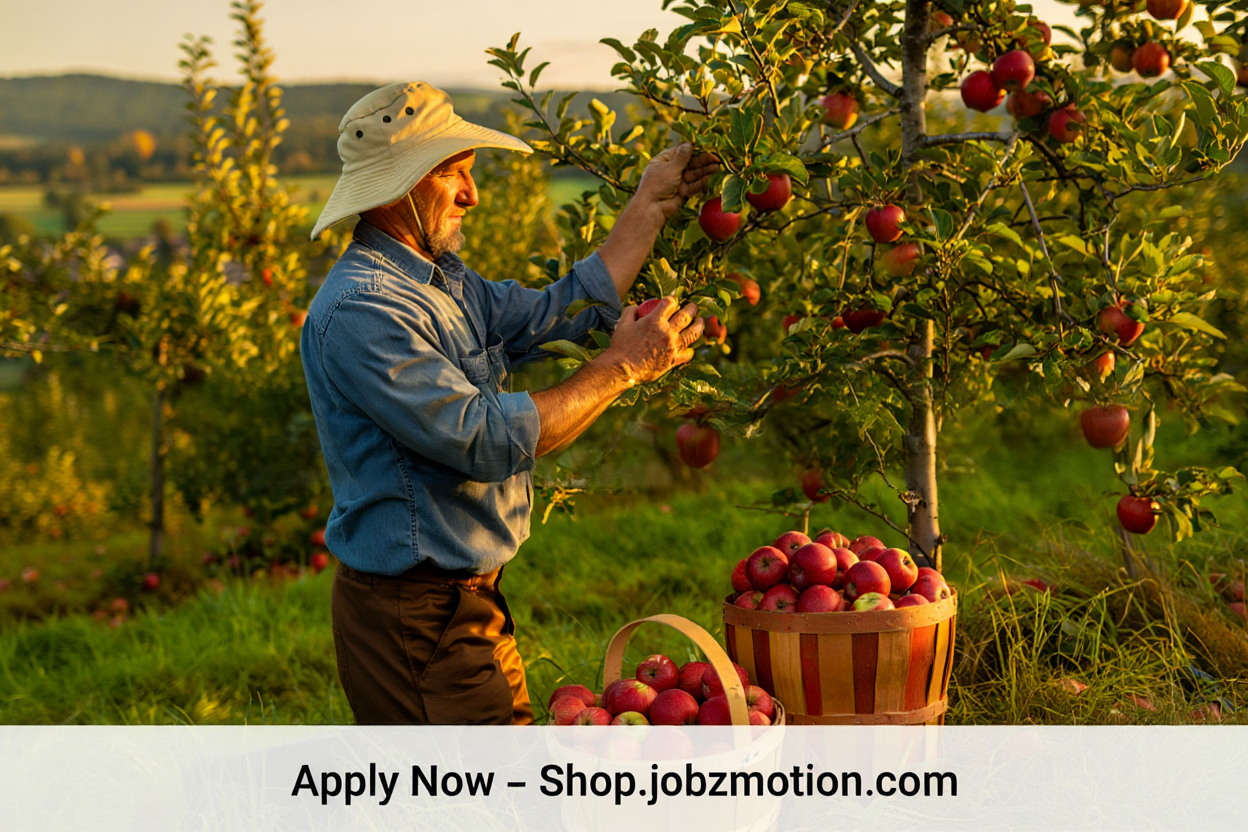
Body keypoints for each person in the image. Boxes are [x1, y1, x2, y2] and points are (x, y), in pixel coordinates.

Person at [301, 81, 717, 725]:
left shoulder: (443, 281)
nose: (473, 194)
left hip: (464, 602)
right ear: (398, 187)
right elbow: (483, 439)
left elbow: (565, 309)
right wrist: (624, 366)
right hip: (418, 616)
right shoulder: (366, 309)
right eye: (453, 175)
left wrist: (652, 203)